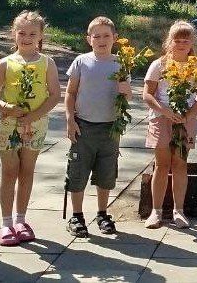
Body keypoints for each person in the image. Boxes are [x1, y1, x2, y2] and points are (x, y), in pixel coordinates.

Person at [0, 11, 61, 246]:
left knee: (27, 171)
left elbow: (55, 95)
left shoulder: (46, 63)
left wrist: (34, 115)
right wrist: (6, 107)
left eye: (32, 33)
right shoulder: (5, 63)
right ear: (14, 34)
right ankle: (6, 223)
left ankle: (21, 220)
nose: (26, 37)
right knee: (9, 172)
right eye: (22, 33)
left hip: (36, 125)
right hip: (9, 126)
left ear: (40, 36)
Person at [64, 16, 131, 238]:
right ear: (89, 39)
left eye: (106, 36)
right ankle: (77, 216)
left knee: (106, 173)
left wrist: (124, 89)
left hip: (110, 128)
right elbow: (71, 92)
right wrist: (70, 119)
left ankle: (102, 213)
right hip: (83, 126)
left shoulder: (121, 63)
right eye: (97, 36)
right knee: (78, 171)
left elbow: (128, 95)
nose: (101, 40)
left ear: (115, 38)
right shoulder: (82, 62)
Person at [143, 21, 197, 229]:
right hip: (161, 118)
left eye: (185, 40)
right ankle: (156, 211)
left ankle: (179, 211)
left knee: (180, 165)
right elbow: (147, 94)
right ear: (169, 42)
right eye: (177, 40)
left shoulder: (196, 67)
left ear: (192, 43)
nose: (181, 44)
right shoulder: (159, 64)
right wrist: (165, 111)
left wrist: (188, 115)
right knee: (162, 165)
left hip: (185, 121)